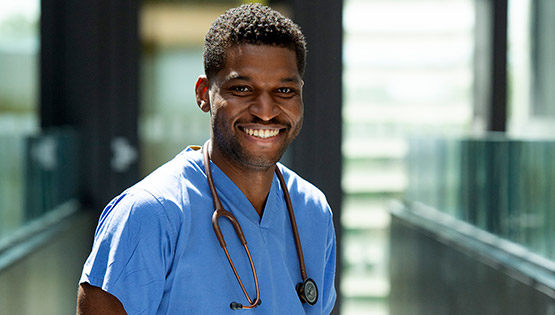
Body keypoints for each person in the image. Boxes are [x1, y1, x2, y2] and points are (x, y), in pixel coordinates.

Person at [77, 3, 336, 314]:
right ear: (203, 94)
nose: (265, 111)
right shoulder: (149, 214)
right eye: (242, 88)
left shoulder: (312, 210)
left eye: (284, 90)